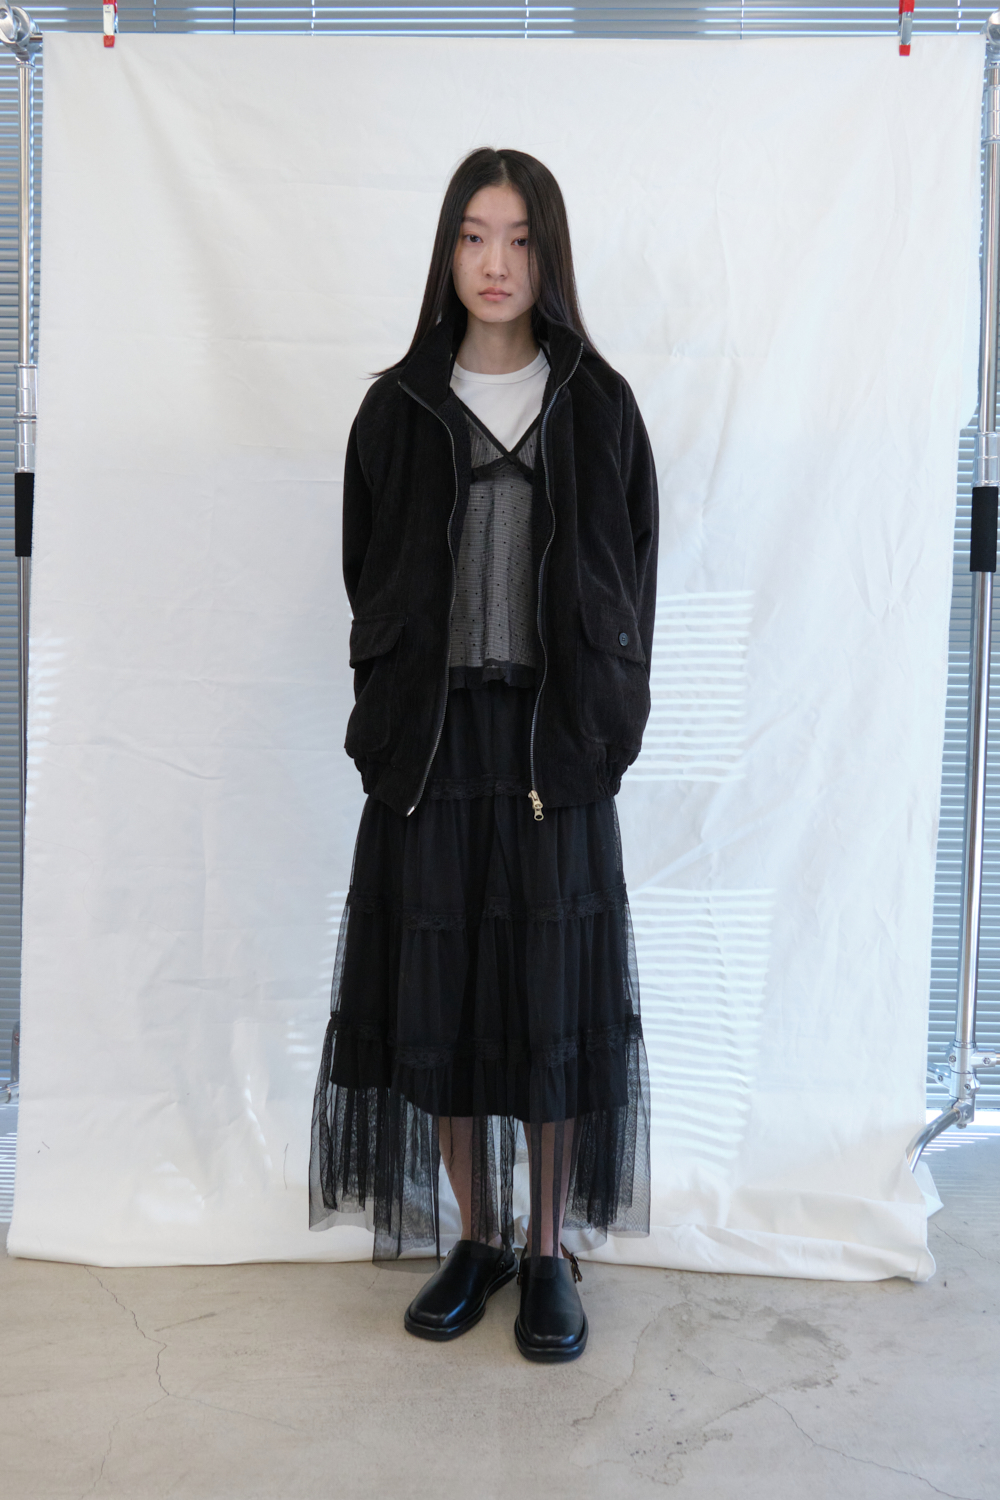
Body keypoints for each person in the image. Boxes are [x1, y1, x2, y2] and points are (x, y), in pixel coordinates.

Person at [309, 146, 658, 1364]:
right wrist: (393, 703)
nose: (494, 262)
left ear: (548, 255)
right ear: (446, 252)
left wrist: (605, 726)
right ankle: (480, 1238)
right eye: (472, 236)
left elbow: (633, 576)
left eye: (517, 238)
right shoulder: (398, 407)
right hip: (433, 748)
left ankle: (548, 1251)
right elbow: (365, 569)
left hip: (556, 748)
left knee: (550, 1004)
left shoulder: (598, 403)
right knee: (441, 1003)